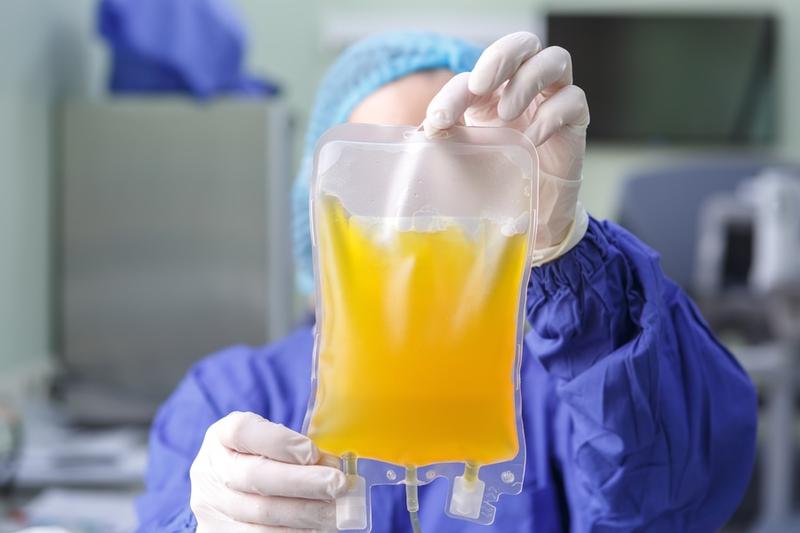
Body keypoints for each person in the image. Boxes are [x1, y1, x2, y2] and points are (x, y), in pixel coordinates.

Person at [136, 32, 757, 532]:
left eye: (455, 177)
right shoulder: (233, 397)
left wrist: (562, 246)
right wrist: (204, 524)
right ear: (318, 211)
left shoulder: (561, 395)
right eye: (381, 179)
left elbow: (679, 499)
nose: (418, 214)